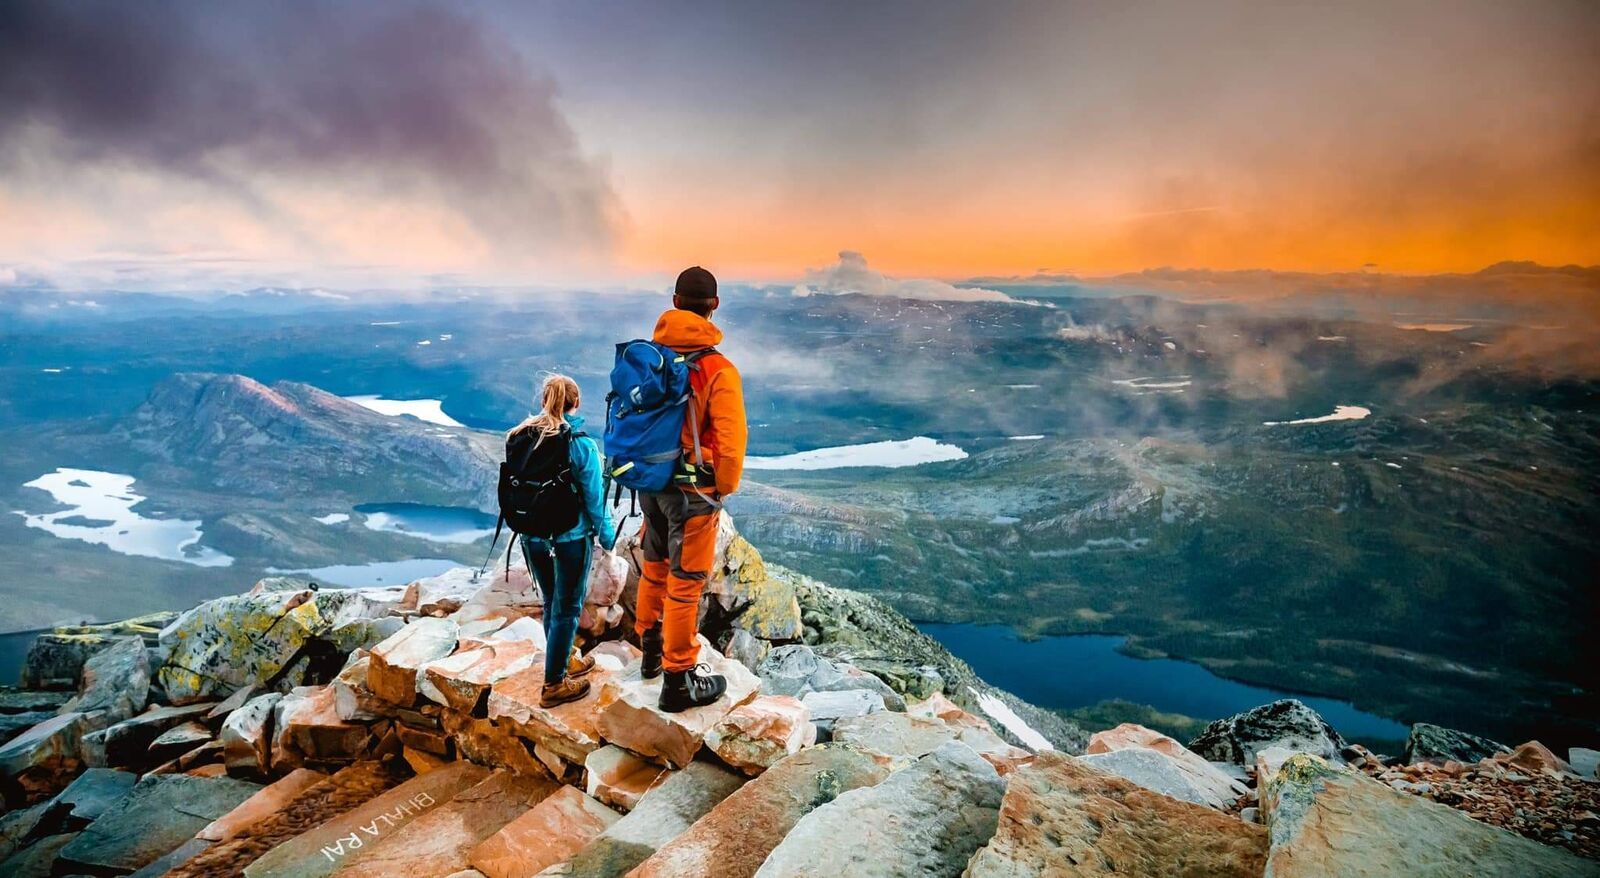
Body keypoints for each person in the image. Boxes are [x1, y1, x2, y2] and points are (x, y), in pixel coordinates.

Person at [635, 265, 748, 712]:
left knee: (654, 566)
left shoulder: (651, 357)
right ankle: (678, 681)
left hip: (650, 482)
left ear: (676, 301)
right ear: (713, 306)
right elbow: (731, 441)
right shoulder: (718, 369)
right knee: (685, 584)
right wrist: (722, 487)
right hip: (693, 493)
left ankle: (649, 653)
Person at [507, 374, 618, 707]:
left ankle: (566, 658)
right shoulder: (581, 445)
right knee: (568, 608)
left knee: (552, 601)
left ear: (544, 400)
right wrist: (608, 537)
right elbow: (595, 500)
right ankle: (554, 683)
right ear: (577, 403)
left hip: (532, 537)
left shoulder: (519, 436)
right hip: (570, 538)